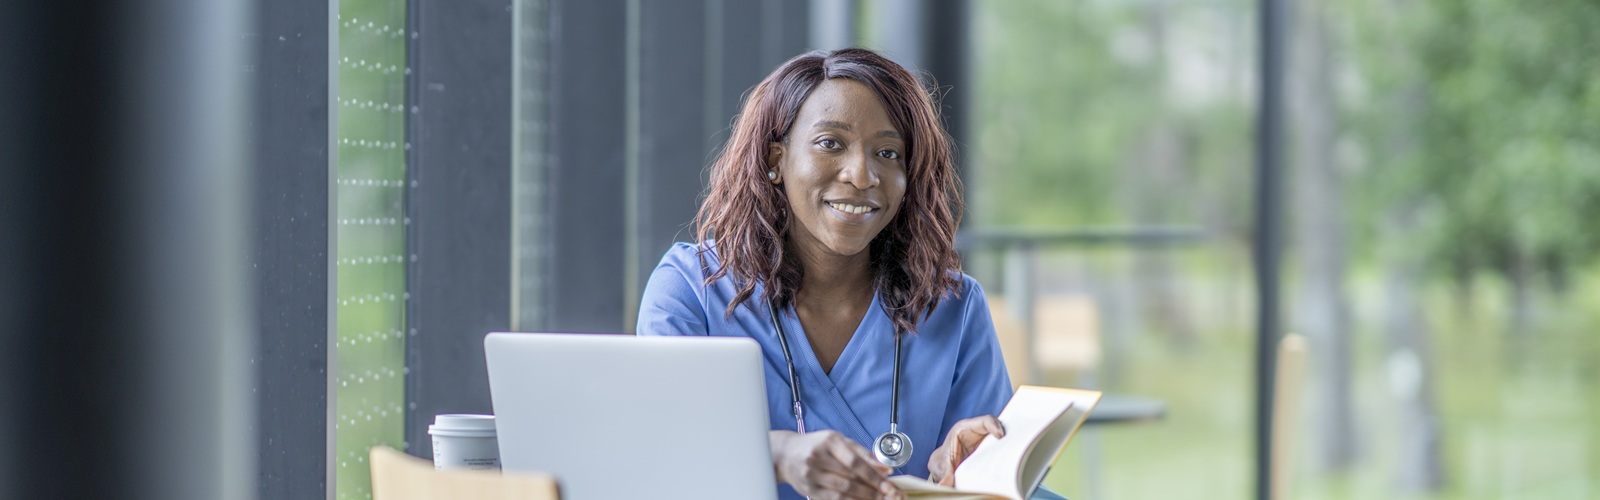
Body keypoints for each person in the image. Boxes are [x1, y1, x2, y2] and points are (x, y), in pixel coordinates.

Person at [637, 48, 1012, 500]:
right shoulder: (691, 290)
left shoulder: (953, 308)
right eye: (830, 143)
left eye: (888, 152)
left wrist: (960, 476)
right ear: (776, 158)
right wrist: (778, 454)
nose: (861, 174)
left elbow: (993, 484)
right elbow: (660, 451)